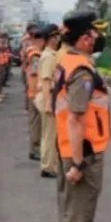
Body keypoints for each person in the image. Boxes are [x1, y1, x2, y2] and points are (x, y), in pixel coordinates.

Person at [54, 11, 109, 222]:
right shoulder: (81, 71)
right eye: (95, 33)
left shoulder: (69, 61)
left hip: (70, 147)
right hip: (82, 152)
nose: (99, 37)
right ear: (85, 38)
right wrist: (77, 163)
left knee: (72, 210)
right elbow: (76, 119)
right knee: (80, 213)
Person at [36, 24, 61, 178]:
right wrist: (48, 103)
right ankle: (48, 166)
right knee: (49, 134)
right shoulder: (48, 56)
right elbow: (46, 81)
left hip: (50, 97)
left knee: (51, 133)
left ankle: (51, 164)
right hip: (48, 96)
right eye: (56, 36)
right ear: (51, 39)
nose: (58, 39)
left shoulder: (51, 54)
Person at [25, 28, 44, 162]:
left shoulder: (34, 53)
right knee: (36, 123)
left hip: (34, 92)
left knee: (37, 122)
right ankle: (34, 149)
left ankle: (35, 147)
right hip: (35, 92)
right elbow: (34, 75)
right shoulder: (35, 55)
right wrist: (34, 94)